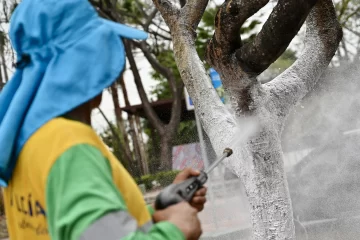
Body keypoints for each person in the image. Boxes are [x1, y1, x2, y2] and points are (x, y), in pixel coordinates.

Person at [0, 0, 206, 239]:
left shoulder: (27, 143)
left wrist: (158, 212)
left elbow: (81, 230)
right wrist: (175, 231)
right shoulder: (69, 145)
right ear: (85, 62)